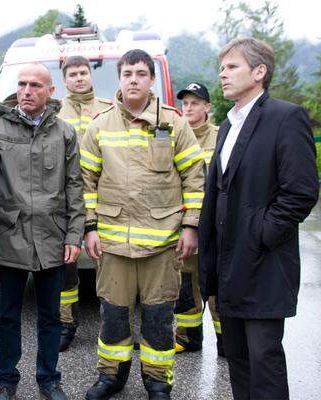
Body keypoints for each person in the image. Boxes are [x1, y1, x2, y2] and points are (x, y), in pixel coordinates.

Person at [199, 37, 319, 400]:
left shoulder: (286, 117)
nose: (223, 74)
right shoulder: (229, 125)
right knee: (236, 356)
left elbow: (300, 192)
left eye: (232, 66)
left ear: (259, 71)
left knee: (264, 357)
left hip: (264, 263)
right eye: (222, 67)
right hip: (227, 263)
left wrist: (261, 234)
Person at [81, 49, 205, 400]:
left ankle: (157, 381)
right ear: (119, 79)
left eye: (140, 73)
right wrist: (90, 228)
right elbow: (86, 181)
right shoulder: (100, 125)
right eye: (126, 73)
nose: (133, 79)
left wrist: (191, 226)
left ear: (151, 79)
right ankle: (111, 377)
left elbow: (195, 178)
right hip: (113, 242)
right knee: (114, 316)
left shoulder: (174, 123)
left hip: (162, 245)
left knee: (158, 317)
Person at [0, 63, 85, 400]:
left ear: (51, 91)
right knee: (7, 315)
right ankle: (5, 381)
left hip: (52, 239)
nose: (26, 90)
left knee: (50, 316)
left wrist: (73, 235)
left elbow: (74, 187)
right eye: (22, 83)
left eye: (35, 85)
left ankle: (49, 378)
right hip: (8, 237)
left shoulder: (64, 132)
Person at [57, 55, 112, 352]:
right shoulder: (55, 112)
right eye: (73, 74)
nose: (79, 78)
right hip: (64, 199)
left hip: (102, 196)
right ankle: (66, 323)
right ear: (63, 80)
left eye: (83, 73)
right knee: (66, 261)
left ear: (90, 76)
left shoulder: (108, 110)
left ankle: (111, 324)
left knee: (107, 260)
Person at [174, 82, 224, 356]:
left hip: (216, 227)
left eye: (195, 102)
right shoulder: (174, 136)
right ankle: (188, 338)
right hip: (186, 226)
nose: (189, 108)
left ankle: (227, 341)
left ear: (207, 106)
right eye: (185, 103)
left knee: (218, 283)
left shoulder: (222, 136)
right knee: (185, 284)